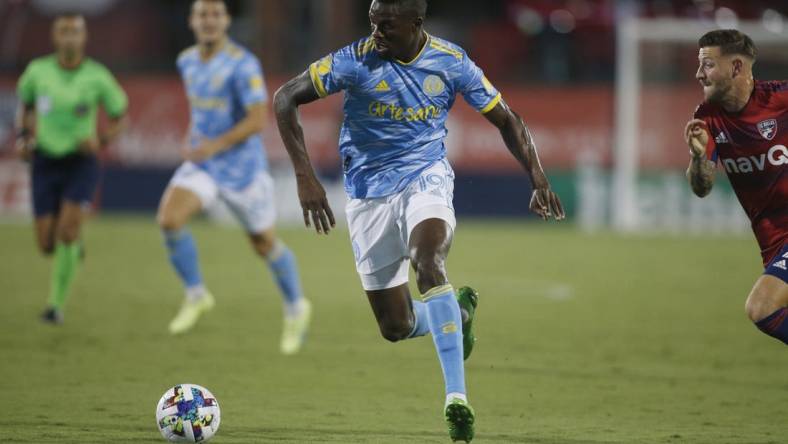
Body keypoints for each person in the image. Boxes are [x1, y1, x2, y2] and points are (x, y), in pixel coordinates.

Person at [273, 0, 564, 440]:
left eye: (386, 25)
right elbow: (284, 98)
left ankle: (456, 399)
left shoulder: (451, 62)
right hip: (368, 195)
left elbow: (507, 119)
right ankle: (456, 316)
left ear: (415, 23)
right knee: (395, 326)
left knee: (429, 264)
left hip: (425, 177)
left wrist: (537, 176)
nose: (377, 33)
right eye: (372, 23)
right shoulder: (354, 60)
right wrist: (305, 177)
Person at [158, 0, 311, 355]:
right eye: (202, 15)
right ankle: (196, 295)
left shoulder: (243, 65)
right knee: (170, 219)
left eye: (215, 14)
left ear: (226, 21)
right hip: (204, 166)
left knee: (263, 243)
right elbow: (204, 111)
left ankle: (296, 308)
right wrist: (195, 140)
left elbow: (257, 120)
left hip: (244, 171)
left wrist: (213, 145)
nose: (209, 21)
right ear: (192, 21)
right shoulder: (187, 61)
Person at [16, 13, 128, 324]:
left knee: (66, 230)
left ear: (84, 38)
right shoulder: (37, 73)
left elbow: (121, 117)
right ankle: (75, 246)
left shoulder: (98, 76)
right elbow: (25, 107)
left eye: (75, 32)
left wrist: (101, 140)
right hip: (44, 161)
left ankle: (54, 307)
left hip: (81, 163)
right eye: (64, 31)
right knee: (46, 245)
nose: (69, 37)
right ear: (55, 37)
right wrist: (24, 137)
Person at [685, 29, 788, 345]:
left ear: (737, 68)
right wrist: (699, 156)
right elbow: (702, 187)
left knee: (763, 308)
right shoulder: (707, 117)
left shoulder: (782, 99)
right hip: (773, 242)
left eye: (708, 65)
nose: (698, 74)